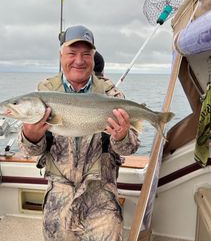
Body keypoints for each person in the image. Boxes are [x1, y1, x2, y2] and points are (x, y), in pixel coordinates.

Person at [18, 25, 140, 241]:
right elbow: (30, 151)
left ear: (94, 57)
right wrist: (31, 136)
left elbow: (129, 147)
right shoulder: (45, 92)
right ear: (61, 55)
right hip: (59, 190)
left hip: (100, 191)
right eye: (72, 53)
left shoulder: (111, 94)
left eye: (86, 54)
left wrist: (121, 136)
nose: (79, 60)